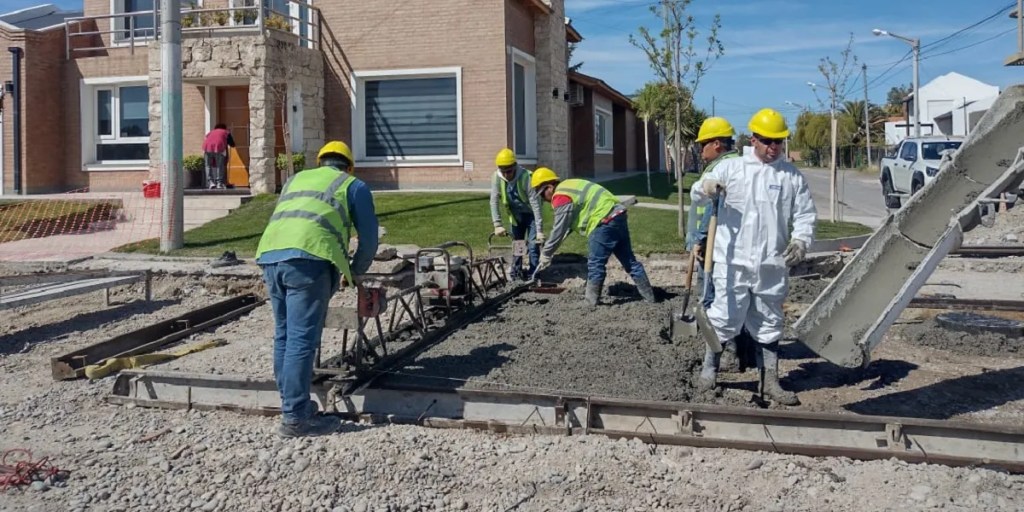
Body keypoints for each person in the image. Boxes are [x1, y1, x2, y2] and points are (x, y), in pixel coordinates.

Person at [690, 108, 816, 405]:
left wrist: (801, 239)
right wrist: (706, 186)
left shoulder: (791, 176)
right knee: (723, 317)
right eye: (768, 141)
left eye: (778, 141)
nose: (774, 147)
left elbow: (805, 214)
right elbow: (697, 192)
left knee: (770, 321)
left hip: (771, 263)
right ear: (753, 139)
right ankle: (709, 371)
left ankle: (770, 381)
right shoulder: (732, 168)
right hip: (732, 261)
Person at [255, 141, 379, 437]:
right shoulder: (353, 185)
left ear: (320, 162)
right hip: (309, 260)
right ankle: (295, 417)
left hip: (270, 255)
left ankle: (292, 404)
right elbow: (369, 239)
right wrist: (356, 272)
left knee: (284, 334)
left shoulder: (296, 179)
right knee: (301, 338)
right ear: (349, 166)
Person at [531, 167, 656, 306]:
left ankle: (590, 302)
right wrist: (553, 247)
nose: (544, 200)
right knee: (630, 261)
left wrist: (546, 253)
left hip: (603, 221)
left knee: (595, 264)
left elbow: (559, 228)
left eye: (542, 195)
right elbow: (567, 225)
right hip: (617, 214)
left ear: (549, 187)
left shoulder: (559, 196)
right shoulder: (569, 185)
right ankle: (650, 298)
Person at [489, 148, 544, 280]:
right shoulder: (497, 177)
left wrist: (539, 230)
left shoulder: (526, 177)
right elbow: (494, 201)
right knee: (518, 244)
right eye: (503, 171)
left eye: (509, 171)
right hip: (516, 216)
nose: (506, 175)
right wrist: (497, 224)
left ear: (514, 166)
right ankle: (516, 273)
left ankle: (533, 274)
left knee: (533, 245)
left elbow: (536, 205)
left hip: (531, 215)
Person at [201, 123, 236, 189]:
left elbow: (206, 138)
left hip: (207, 148)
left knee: (208, 165)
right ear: (224, 128)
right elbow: (232, 144)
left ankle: (210, 182)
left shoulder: (211, 132)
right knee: (219, 166)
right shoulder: (226, 132)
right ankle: (219, 183)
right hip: (218, 148)